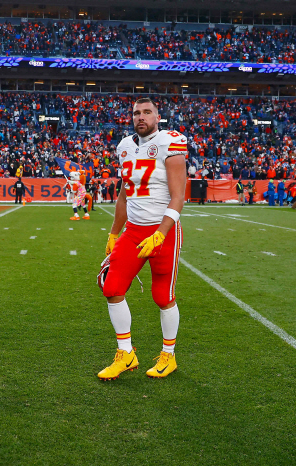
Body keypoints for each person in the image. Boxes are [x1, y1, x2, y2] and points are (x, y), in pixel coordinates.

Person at [98, 98, 186, 381]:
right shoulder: (124, 146)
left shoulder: (170, 142)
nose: (141, 117)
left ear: (157, 117)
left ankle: (168, 356)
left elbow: (178, 196)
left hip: (164, 230)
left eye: (147, 112)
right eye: (136, 113)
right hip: (134, 231)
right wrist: (114, 232)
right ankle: (126, 353)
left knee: (162, 296)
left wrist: (160, 233)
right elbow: (125, 194)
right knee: (111, 286)